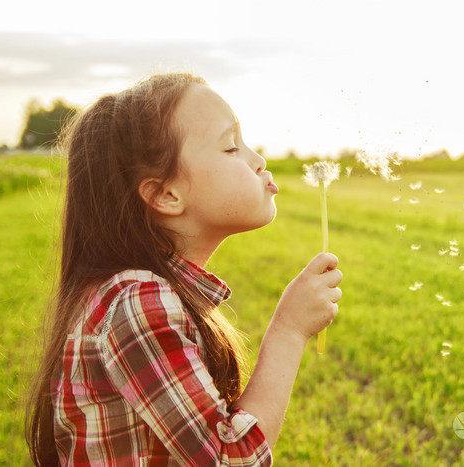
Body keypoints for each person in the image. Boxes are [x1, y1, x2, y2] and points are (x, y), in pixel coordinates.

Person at [25, 73, 343, 466]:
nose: (257, 159)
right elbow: (232, 459)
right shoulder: (137, 303)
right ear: (166, 195)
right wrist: (289, 330)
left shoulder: (142, 295)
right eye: (231, 148)